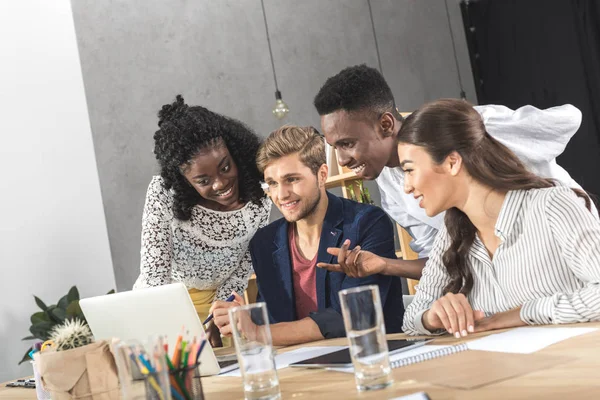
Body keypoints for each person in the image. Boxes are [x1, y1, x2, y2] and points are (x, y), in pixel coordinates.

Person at [313, 64, 596, 280]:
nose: (342, 159)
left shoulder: (468, 127)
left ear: (386, 125)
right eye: (334, 147)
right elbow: (442, 261)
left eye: (347, 144)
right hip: (518, 281)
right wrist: (385, 265)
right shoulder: (391, 189)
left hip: (572, 252)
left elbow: (566, 120)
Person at [397, 99, 600, 337]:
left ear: (452, 163)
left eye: (410, 170)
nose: (406, 187)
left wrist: (524, 314)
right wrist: (432, 317)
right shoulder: (452, 236)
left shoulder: (552, 205)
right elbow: (410, 321)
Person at [209, 125, 404, 346]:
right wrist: (238, 317)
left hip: (369, 361)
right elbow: (273, 319)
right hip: (299, 371)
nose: (281, 195)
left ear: (321, 175)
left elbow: (352, 316)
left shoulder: (367, 223)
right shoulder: (265, 243)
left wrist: (257, 331)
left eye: (292, 179)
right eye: (272, 183)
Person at [133, 95, 271, 345]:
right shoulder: (163, 193)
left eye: (225, 167)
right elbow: (155, 275)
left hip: (217, 309)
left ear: (235, 152)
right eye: (203, 181)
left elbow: (243, 268)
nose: (220, 184)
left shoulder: (259, 198)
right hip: (164, 305)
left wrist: (217, 318)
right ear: (184, 181)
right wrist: (169, 328)